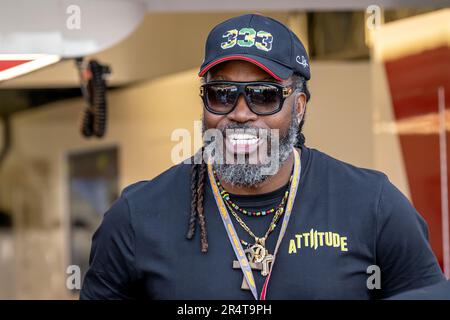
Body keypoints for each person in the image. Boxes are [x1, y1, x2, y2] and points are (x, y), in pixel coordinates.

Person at [80, 14, 445, 300]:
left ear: (299, 107)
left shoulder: (372, 205)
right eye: (222, 94)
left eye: (264, 95)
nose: (240, 113)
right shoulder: (136, 217)